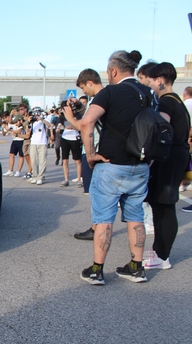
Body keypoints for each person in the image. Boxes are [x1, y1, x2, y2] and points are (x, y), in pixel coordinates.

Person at [80, 50, 151, 285]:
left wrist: (91, 155)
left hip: (111, 166)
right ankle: (136, 268)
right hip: (140, 166)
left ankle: (97, 270)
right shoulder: (148, 93)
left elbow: (87, 122)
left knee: (104, 219)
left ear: (113, 71)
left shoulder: (110, 92)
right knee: (135, 217)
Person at [141, 62, 191, 270]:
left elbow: (160, 133)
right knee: (161, 204)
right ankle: (159, 250)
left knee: (165, 206)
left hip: (168, 158)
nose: (150, 84)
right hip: (176, 155)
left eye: (151, 80)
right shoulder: (176, 100)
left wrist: (148, 158)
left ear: (160, 80)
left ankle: (162, 256)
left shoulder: (166, 103)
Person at [65, 69, 104, 241]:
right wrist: (80, 107)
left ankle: (98, 229)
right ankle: (98, 228)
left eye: (83, 88)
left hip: (97, 151)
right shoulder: (108, 97)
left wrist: (70, 118)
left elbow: (86, 124)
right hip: (104, 150)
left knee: (97, 193)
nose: (83, 92)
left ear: (89, 82)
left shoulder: (99, 98)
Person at [28, 112, 51, 185]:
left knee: (42, 161)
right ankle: (34, 176)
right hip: (33, 142)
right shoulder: (32, 122)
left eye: (37, 114)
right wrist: (28, 121)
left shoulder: (43, 121)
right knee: (34, 161)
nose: (36, 116)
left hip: (42, 142)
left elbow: (49, 125)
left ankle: (40, 177)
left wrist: (41, 119)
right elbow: (27, 130)